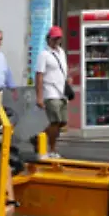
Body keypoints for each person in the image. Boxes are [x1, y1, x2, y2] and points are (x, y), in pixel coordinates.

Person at [34, 26, 71, 159]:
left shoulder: (61, 52)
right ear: (48, 39)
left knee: (62, 122)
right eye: (54, 38)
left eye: (59, 38)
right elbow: (39, 76)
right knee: (54, 121)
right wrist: (39, 97)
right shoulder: (44, 55)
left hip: (61, 93)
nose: (57, 40)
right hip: (50, 92)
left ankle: (39, 140)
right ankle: (52, 149)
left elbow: (63, 71)